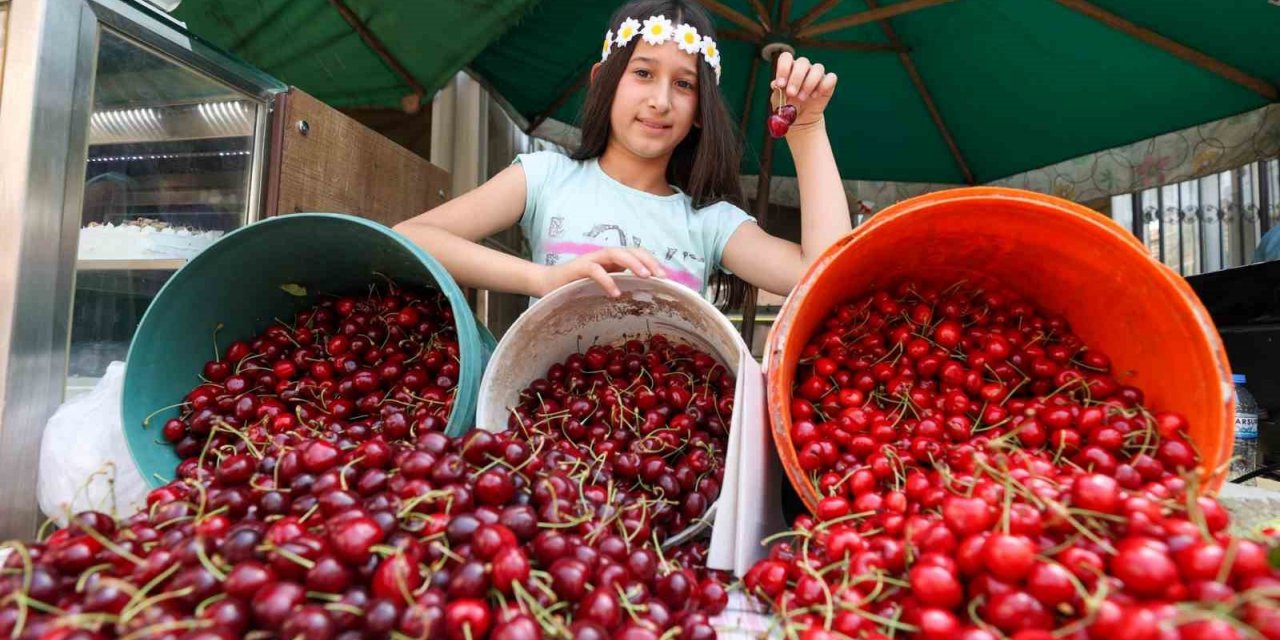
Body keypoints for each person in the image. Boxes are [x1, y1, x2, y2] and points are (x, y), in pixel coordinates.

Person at [394, 0, 851, 309]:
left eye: (684, 84)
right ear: (604, 81)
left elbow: (826, 273)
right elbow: (413, 237)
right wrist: (541, 279)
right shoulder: (545, 177)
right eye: (643, 73)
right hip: (549, 413)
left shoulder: (708, 222)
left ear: (699, 112)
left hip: (666, 422)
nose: (660, 101)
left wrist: (807, 129)